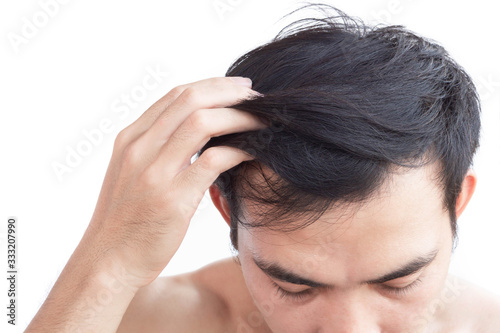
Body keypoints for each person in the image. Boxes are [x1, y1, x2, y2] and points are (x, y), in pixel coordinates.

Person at [25, 4, 500, 333]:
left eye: (398, 283)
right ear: (227, 212)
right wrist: (107, 263)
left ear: (457, 203)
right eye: (293, 286)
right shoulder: (140, 320)